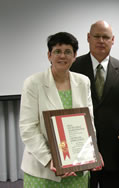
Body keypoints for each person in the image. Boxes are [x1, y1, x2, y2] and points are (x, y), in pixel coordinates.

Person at [19, 32, 97, 187]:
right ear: (49, 55)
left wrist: (92, 150)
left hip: (77, 168)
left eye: (68, 52)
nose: (63, 56)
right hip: (43, 169)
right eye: (57, 51)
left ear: (75, 56)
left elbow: (89, 123)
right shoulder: (33, 83)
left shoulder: (83, 82)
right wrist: (50, 159)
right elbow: (28, 128)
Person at [70, 20, 119, 188]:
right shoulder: (72, 68)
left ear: (113, 40)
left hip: (114, 153)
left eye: (106, 37)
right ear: (88, 38)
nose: (101, 41)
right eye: (97, 36)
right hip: (80, 150)